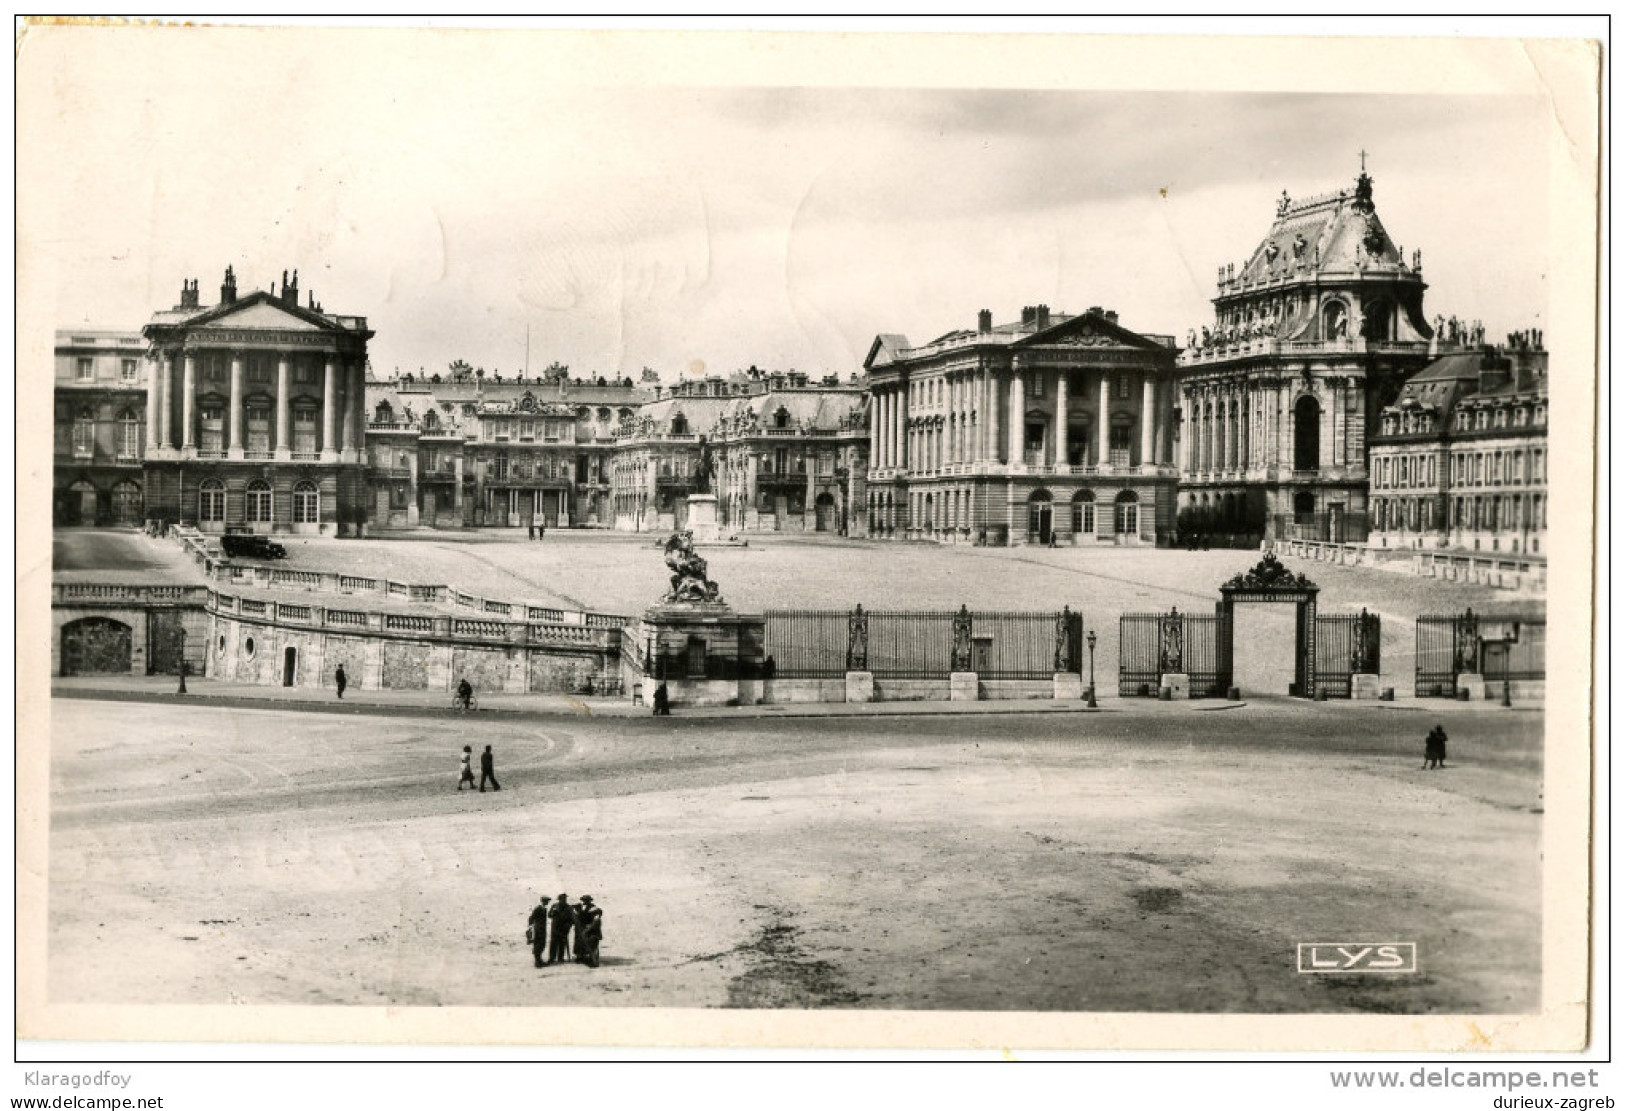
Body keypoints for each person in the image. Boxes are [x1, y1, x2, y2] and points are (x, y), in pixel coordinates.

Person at [548, 894, 575, 964]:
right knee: (553, 943)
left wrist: (568, 926)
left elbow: (572, 919)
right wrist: (552, 912)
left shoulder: (569, 907)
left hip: (564, 929)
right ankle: (552, 958)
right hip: (555, 928)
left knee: (562, 943)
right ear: (559, 899)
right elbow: (549, 915)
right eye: (562, 899)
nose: (564, 900)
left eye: (565, 899)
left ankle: (560, 958)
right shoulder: (554, 906)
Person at [527, 896, 551, 967]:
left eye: (547, 901)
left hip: (542, 929)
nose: (547, 902)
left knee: (542, 944)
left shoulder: (544, 909)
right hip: (538, 929)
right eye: (546, 901)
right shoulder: (538, 908)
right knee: (538, 944)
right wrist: (530, 927)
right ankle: (537, 962)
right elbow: (531, 918)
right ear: (543, 901)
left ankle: (539, 960)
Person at [573, 895, 596, 963]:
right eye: (584, 900)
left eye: (586, 900)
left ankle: (586, 956)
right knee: (578, 941)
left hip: (587, 927)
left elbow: (592, 916)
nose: (585, 901)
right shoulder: (580, 906)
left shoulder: (593, 907)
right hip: (579, 927)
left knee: (586, 941)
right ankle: (579, 956)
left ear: (589, 900)